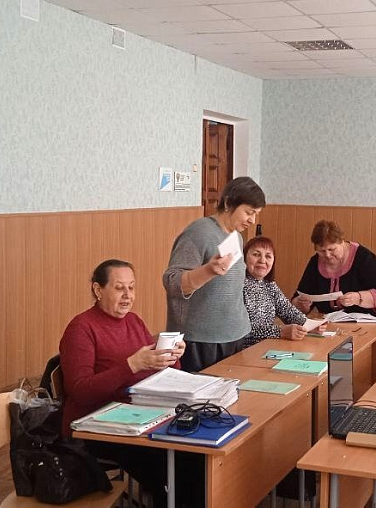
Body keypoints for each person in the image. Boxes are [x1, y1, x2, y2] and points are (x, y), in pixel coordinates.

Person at [60, 259, 187, 505]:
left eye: (131, 287)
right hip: (97, 427)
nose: (128, 295)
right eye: (119, 288)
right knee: (172, 466)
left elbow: (158, 371)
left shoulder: (133, 321)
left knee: (190, 454)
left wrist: (171, 358)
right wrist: (132, 365)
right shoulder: (81, 328)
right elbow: (80, 391)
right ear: (98, 290)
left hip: (138, 416)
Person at [164, 177, 265, 372]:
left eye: (256, 214)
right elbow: (172, 282)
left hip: (235, 334)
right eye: (248, 212)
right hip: (201, 340)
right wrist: (208, 271)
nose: (252, 220)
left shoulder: (236, 237)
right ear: (228, 203)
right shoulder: (198, 232)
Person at [292, 220, 376, 318]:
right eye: (322, 251)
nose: (327, 255)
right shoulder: (315, 262)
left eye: (332, 249)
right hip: (333, 324)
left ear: (342, 242)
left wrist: (358, 298)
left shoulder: (363, 258)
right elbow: (301, 295)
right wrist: (300, 305)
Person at [241, 236, 322, 348]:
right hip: (243, 351)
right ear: (244, 257)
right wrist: (280, 332)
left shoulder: (269, 284)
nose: (262, 261)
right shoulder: (237, 285)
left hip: (265, 347)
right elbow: (241, 329)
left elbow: (287, 310)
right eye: (256, 254)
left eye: (268, 256)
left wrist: (309, 325)